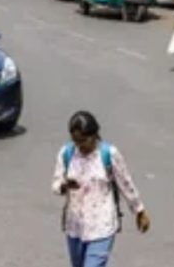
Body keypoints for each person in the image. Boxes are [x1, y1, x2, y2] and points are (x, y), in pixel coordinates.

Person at [53, 111, 149, 267]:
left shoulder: (109, 154)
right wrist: (65, 185)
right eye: (76, 141)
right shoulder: (67, 153)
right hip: (75, 227)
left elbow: (125, 183)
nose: (80, 146)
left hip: (102, 226)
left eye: (84, 141)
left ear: (95, 135)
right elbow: (56, 184)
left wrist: (139, 210)